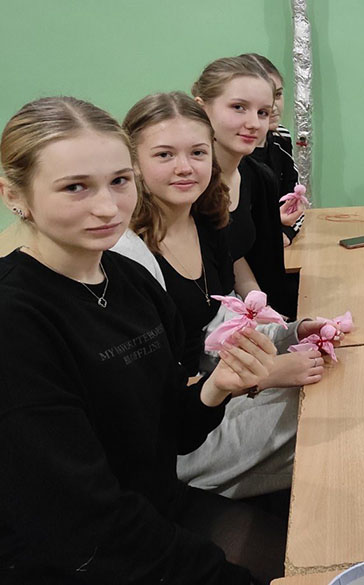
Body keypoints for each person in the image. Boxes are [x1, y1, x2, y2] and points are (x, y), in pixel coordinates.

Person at [0, 96, 284, 584]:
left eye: (119, 181)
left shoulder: (130, 279)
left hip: (154, 510)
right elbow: (77, 520)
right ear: (13, 195)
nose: (108, 207)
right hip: (81, 556)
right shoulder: (16, 318)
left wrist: (218, 386)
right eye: (75, 187)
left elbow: (170, 432)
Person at [122, 91, 327, 499]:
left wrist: (291, 332)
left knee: (332, 389)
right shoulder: (127, 256)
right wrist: (265, 376)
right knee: (323, 425)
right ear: (133, 164)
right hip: (176, 435)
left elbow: (216, 327)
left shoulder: (207, 222)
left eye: (197, 153)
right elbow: (158, 396)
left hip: (209, 395)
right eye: (164, 155)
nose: (185, 167)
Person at [192, 55, 298, 319]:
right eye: (239, 107)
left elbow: (234, 257)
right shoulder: (188, 185)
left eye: (262, 112)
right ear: (202, 109)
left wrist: (267, 314)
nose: (254, 123)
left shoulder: (258, 178)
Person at [243, 52, 303, 246]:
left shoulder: (281, 137)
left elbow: (295, 199)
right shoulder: (231, 149)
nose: (273, 106)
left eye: (277, 95)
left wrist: (286, 232)